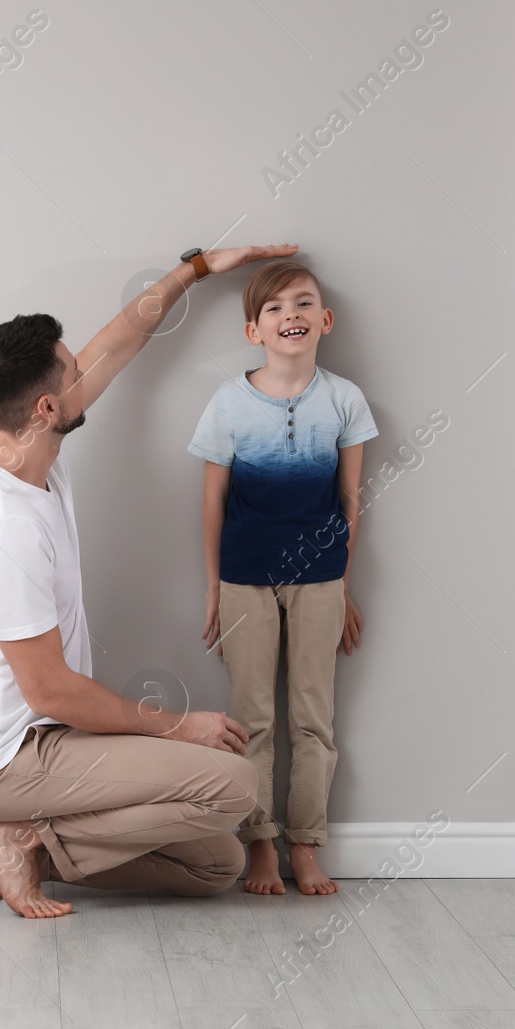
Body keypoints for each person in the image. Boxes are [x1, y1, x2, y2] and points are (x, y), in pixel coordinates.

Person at [0, 241, 299, 918]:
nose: (86, 370)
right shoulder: (0, 532)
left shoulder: (12, 436)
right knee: (234, 786)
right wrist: (177, 727)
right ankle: (11, 826)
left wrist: (196, 267)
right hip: (12, 756)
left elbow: (120, 340)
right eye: (72, 372)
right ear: (47, 407)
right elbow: (53, 690)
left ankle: (31, 843)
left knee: (214, 862)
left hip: (43, 735)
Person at [190, 260, 377, 896]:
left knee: (313, 718)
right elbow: (213, 500)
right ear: (253, 330)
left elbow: (352, 502)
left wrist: (343, 584)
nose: (289, 315)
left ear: (324, 321)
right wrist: (214, 587)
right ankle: (260, 845)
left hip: (321, 578)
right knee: (253, 719)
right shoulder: (228, 402)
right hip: (245, 577)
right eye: (274, 308)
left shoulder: (344, 399)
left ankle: (306, 845)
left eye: (303, 304)